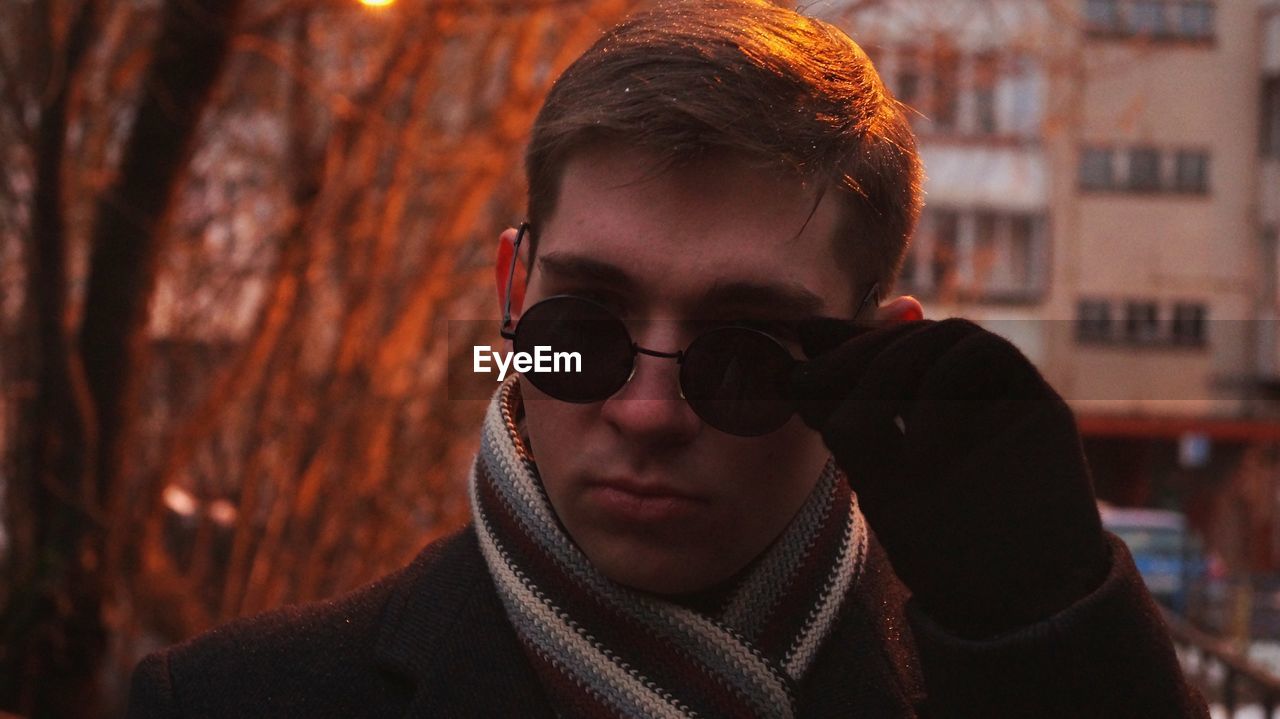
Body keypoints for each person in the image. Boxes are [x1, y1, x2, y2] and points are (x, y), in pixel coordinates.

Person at [127, 1, 1209, 716]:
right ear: (512, 292)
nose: (645, 411)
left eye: (742, 351)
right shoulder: (235, 698)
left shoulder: (997, 681)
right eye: (583, 329)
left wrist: (1050, 637)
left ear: (875, 356)